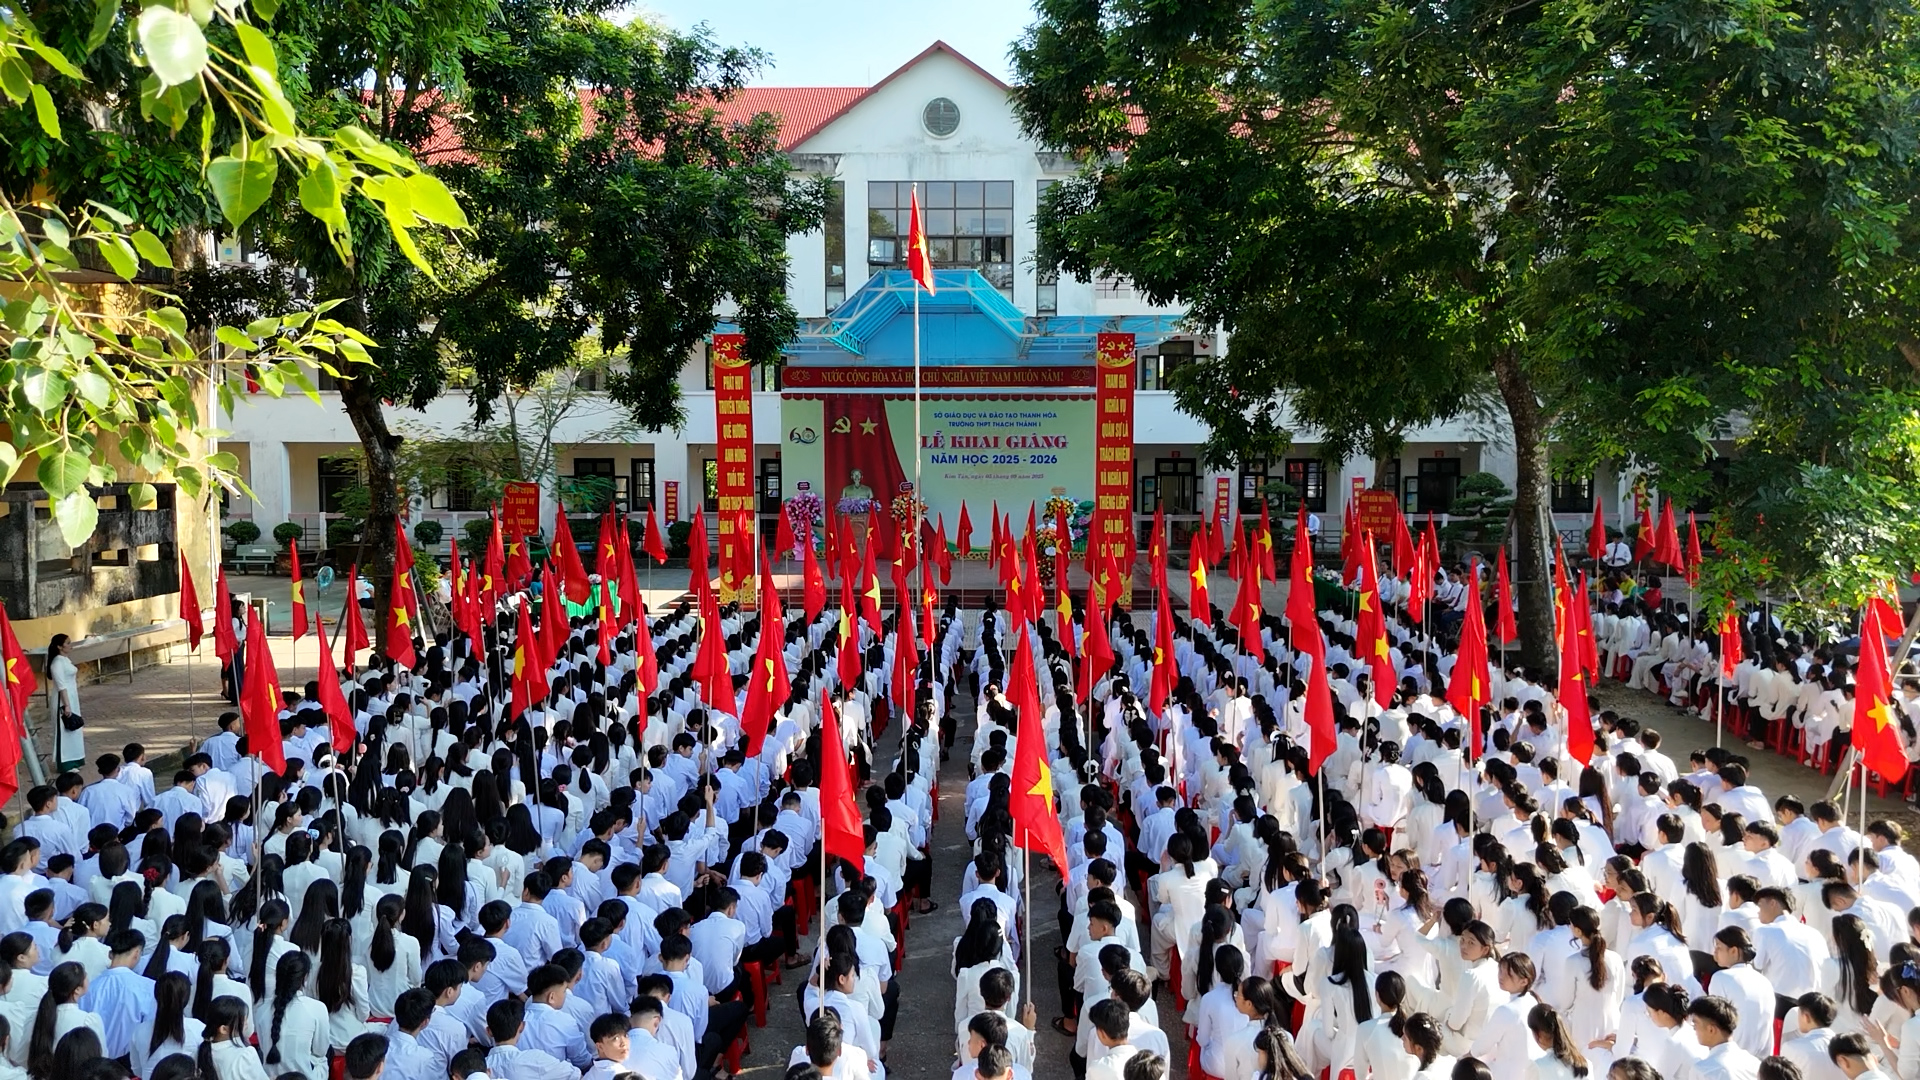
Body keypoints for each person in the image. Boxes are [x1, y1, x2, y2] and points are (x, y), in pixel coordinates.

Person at [45, 637, 81, 773]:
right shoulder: (57, 663)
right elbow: (61, 686)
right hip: (63, 699)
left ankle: (74, 759)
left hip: (72, 697)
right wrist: (66, 705)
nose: (71, 645)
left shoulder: (65, 660)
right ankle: (64, 764)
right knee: (64, 730)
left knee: (73, 729)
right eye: (68, 643)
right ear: (60, 646)